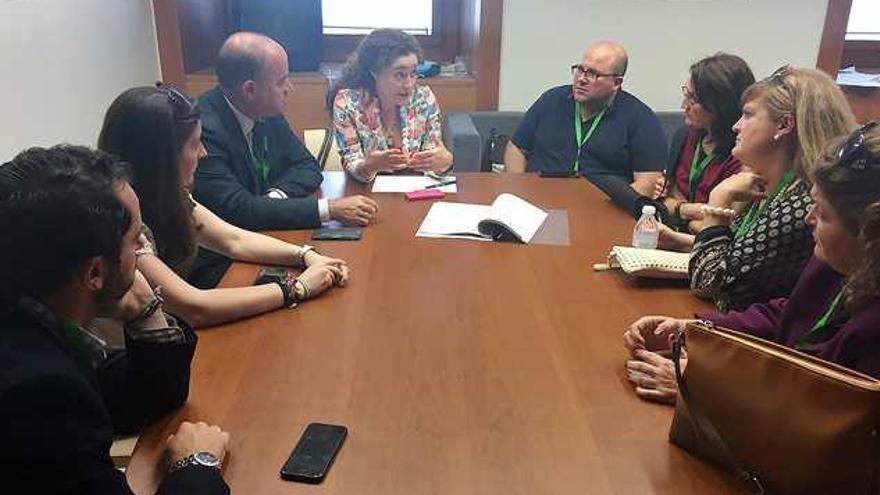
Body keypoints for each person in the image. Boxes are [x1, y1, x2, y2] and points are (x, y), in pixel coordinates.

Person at [0, 145, 230, 493]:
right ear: (95, 272)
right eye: (136, 238)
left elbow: (139, 399)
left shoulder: (28, 313)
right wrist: (195, 463)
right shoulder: (36, 390)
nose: (142, 246)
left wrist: (145, 311)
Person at [624, 123, 880, 404]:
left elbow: (824, 410)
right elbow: (788, 317)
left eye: (824, 214)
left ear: (869, 232)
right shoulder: (833, 261)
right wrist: (694, 330)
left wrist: (703, 385)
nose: (808, 218)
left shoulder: (872, 326)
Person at [99, 85, 350, 328]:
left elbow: (233, 240)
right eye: (195, 144)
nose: (203, 154)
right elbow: (194, 308)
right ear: (161, 158)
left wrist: (306, 255)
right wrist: (298, 288)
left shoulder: (167, 195)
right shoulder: (122, 224)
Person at [660, 67, 856, 311]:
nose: (736, 126)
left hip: (758, 335)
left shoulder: (800, 204)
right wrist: (678, 240)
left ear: (784, 125)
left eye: (747, 115)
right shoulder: (767, 183)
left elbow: (708, 282)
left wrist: (717, 201)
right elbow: (737, 253)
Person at [193, 31, 379, 231]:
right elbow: (238, 210)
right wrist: (328, 209)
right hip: (224, 252)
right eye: (281, 81)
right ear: (250, 90)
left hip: (265, 233)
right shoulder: (204, 129)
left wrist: (275, 196)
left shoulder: (264, 110)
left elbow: (308, 166)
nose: (289, 88)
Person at [505, 40, 667, 200]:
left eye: (592, 74)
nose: (581, 79)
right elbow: (517, 149)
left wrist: (609, 210)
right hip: (541, 201)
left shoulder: (640, 118)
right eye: (580, 70)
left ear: (616, 82)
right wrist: (519, 192)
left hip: (603, 211)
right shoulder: (551, 100)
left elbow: (648, 182)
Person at [328, 28, 453, 182]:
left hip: (416, 193)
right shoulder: (347, 103)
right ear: (374, 72)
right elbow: (351, 162)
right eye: (400, 75)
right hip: (366, 195)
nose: (409, 84)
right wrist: (369, 165)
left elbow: (432, 159)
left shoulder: (423, 98)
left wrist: (445, 163)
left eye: (413, 73)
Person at [657, 53, 755, 231]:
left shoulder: (744, 155)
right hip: (671, 233)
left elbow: (722, 225)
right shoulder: (685, 136)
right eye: (685, 93)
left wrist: (681, 211)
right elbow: (662, 199)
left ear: (721, 106)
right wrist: (691, 210)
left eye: (693, 99)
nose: (683, 105)